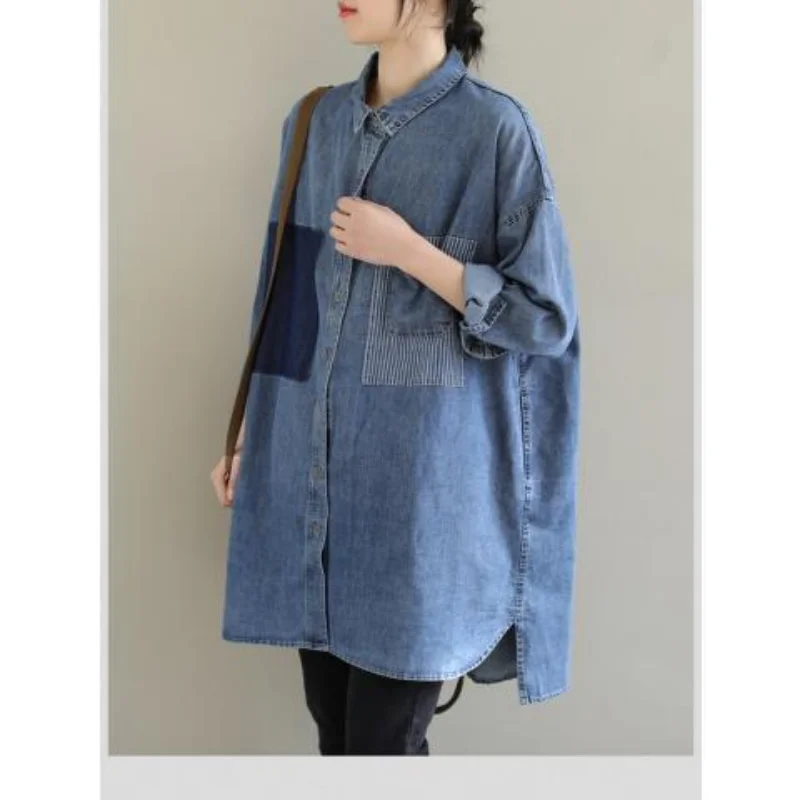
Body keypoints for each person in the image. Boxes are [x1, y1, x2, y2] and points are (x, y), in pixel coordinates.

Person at [210, 0, 580, 756]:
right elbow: (288, 300)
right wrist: (249, 434)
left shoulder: (494, 131)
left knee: (383, 748)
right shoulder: (315, 122)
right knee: (335, 736)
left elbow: (544, 319)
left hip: (423, 523)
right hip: (317, 499)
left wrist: (413, 253)